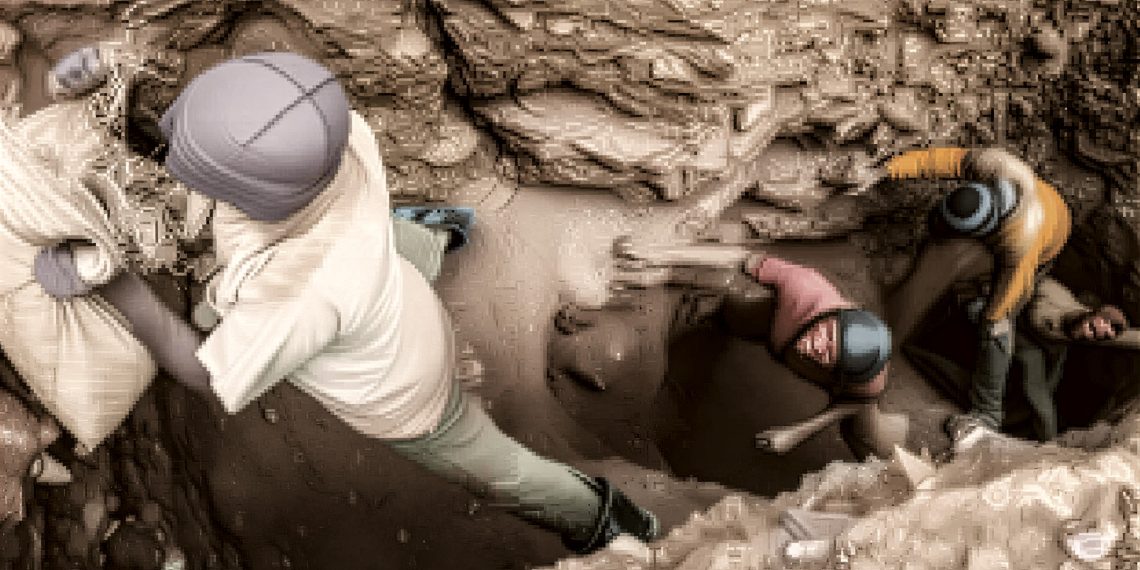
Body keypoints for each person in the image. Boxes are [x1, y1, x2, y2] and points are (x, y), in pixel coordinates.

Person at [32, 51, 659, 555]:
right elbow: (230, 120)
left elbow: (200, 372)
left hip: (412, 398)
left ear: (252, 199)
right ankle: (438, 232)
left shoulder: (303, 292)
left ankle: (599, 513)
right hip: (377, 273)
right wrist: (104, 88)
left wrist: (114, 284)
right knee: (387, 246)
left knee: (497, 470)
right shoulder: (336, 133)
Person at [554, 244, 906, 460]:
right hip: (776, 328)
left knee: (866, 441)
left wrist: (797, 432)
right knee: (731, 313)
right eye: (826, 333)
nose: (817, 344)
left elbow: (853, 403)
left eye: (828, 353)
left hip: (827, 375)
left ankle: (895, 451)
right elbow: (740, 258)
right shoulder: (805, 288)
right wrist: (662, 256)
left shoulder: (866, 380)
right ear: (831, 314)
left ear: (840, 370)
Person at [880, 147, 1072, 445]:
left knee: (995, 326)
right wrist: (888, 169)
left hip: (1048, 243)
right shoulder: (996, 166)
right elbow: (940, 160)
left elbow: (1005, 304)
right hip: (1037, 205)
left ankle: (987, 414)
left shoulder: (1021, 243)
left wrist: (985, 310)